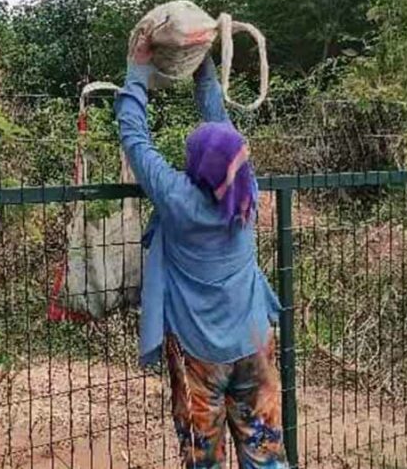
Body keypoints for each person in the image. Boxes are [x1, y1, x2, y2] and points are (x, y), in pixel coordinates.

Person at [115, 36, 288, 469]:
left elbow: (135, 139)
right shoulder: (245, 193)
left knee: (202, 461)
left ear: (196, 165)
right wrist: (203, 61)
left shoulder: (178, 199)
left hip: (199, 356)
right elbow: (222, 128)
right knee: (266, 455)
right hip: (253, 343)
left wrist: (138, 70)